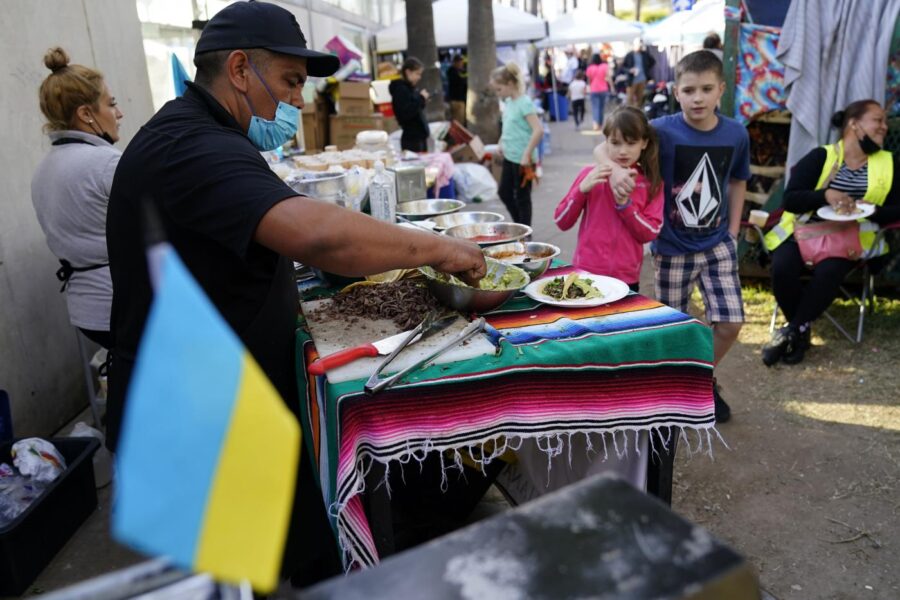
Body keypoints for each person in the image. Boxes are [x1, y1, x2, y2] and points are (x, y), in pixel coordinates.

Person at [104, 0, 485, 585]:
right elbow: (317, 237)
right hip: (191, 416)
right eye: (289, 82)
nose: (298, 101)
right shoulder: (189, 145)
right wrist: (439, 248)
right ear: (238, 70)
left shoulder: (207, 133)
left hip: (226, 393)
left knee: (295, 551)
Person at [595, 50, 750, 423]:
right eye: (689, 89)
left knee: (730, 322)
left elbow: (738, 179)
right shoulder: (661, 129)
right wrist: (612, 172)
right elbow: (606, 144)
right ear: (676, 91)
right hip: (671, 248)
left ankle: (700, 378)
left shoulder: (735, 133)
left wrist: (732, 230)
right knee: (672, 327)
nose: (698, 98)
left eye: (707, 89)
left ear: (721, 90)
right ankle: (674, 385)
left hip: (717, 244)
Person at [762, 100, 900, 365]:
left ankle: (792, 332)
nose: (884, 127)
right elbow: (791, 200)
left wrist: (871, 210)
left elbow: (897, 209)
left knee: (830, 271)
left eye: (884, 122)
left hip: (851, 238)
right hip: (803, 232)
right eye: (878, 120)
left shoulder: (889, 164)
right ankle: (799, 331)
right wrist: (825, 194)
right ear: (854, 124)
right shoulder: (821, 156)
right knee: (782, 268)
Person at [31, 47, 123, 349]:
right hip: (122, 307)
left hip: (86, 313)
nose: (119, 114)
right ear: (86, 114)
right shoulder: (106, 163)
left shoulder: (43, 170)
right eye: (111, 104)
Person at [555, 107, 663, 290]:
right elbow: (561, 221)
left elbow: (650, 233)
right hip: (586, 272)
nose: (623, 151)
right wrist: (581, 190)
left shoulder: (651, 183)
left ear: (644, 143)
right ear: (606, 142)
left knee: (622, 320)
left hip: (627, 278)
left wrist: (626, 207)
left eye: (631, 143)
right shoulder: (590, 174)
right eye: (615, 143)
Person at [492, 63, 544, 227]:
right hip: (510, 155)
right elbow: (508, 126)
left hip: (523, 160)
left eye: (499, 89)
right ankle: (520, 226)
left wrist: (527, 154)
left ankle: (525, 233)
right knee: (504, 192)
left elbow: (538, 130)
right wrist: (501, 142)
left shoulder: (525, 103)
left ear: (510, 84)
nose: (498, 93)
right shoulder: (508, 102)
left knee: (522, 198)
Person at [390, 57, 430, 152]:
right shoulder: (400, 90)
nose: (419, 77)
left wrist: (422, 100)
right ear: (408, 72)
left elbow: (416, 109)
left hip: (419, 138)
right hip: (412, 140)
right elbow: (406, 113)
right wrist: (421, 99)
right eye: (417, 74)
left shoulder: (410, 88)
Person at [622, 39, 656, 108]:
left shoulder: (644, 54)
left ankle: (637, 112)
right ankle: (630, 113)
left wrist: (646, 68)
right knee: (629, 98)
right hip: (632, 80)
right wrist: (630, 70)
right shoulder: (629, 55)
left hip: (642, 79)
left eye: (640, 45)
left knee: (640, 98)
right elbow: (623, 67)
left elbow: (653, 61)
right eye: (638, 45)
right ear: (634, 45)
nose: (639, 47)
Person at [585, 53, 613, 130]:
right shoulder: (604, 66)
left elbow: (589, 80)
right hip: (603, 89)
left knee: (595, 107)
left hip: (594, 89)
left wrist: (588, 88)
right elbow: (609, 77)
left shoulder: (590, 68)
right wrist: (612, 87)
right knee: (601, 108)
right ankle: (600, 124)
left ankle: (595, 124)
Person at [447, 54, 467, 125]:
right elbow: (459, 82)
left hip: (460, 100)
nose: (461, 64)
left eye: (462, 62)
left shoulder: (459, 71)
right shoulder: (452, 71)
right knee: (459, 122)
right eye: (460, 62)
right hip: (456, 100)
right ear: (455, 62)